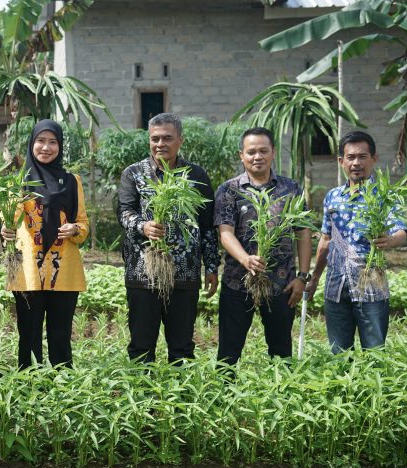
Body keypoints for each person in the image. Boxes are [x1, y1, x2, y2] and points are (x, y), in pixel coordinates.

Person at [117, 113, 219, 364]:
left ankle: (180, 389)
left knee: (182, 347)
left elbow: (207, 225)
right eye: (155, 139)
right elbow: (124, 212)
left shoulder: (196, 175)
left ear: (180, 140)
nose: (160, 144)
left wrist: (212, 267)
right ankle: (142, 389)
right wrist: (143, 226)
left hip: (185, 273)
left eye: (167, 138)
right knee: (141, 347)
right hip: (143, 273)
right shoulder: (134, 173)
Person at [214, 127, 311, 365]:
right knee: (228, 354)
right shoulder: (229, 190)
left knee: (281, 353)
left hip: (281, 285)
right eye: (251, 152)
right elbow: (225, 233)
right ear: (241, 155)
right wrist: (245, 259)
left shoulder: (291, 189)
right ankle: (224, 388)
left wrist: (302, 277)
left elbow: (303, 232)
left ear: (273, 152)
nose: (257, 156)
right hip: (237, 282)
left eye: (263, 151)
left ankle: (281, 388)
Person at [307, 131, 407, 353]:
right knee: (339, 353)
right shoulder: (333, 196)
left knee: (375, 351)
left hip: (370, 283)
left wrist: (391, 240)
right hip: (336, 285)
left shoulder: (384, 196)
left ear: (374, 158)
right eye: (350, 157)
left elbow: (401, 229)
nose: (356, 163)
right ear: (341, 161)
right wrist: (314, 278)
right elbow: (325, 240)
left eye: (362, 156)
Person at [1, 119, 89, 368]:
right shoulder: (17, 182)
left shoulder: (72, 181)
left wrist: (75, 228)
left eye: (53, 142)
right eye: (41, 141)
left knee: (61, 334)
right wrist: (5, 230)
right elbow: (8, 223)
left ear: (60, 147)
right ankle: (30, 382)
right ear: (32, 144)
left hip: (64, 269)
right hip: (28, 269)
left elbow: (83, 224)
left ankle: (62, 382)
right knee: (28, 334)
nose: (46, 147)